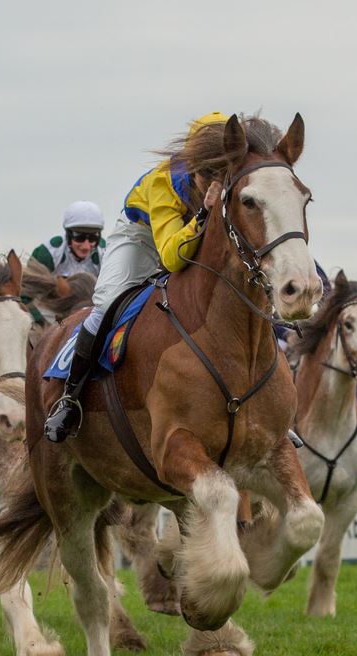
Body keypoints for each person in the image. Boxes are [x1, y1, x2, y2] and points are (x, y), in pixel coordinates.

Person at [44, 112, 229, 441]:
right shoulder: (164, 181)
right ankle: (69, 397)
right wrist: (203, 213)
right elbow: (171, 256)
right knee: (105, 307)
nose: (216, 183)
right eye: (208, 174)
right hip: (141, 239)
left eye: (224, 173)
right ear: (192, 165)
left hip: (192, 237)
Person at [31, 201, 106, 277]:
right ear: (68, 235)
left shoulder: (106, 254)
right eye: (79, 238)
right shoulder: (48, 253)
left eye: (93, 238)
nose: (86, 247)